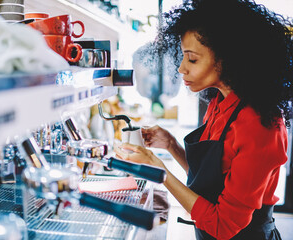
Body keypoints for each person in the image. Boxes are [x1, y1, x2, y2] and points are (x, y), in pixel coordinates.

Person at [114, 0, 293, 239]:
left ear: (228, 59)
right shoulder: (218, 104)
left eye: (192, 59)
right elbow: (211, 186)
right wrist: (171, 146)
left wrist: (159, 169)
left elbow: (223, 225)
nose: (181, 68)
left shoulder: (260, 125)